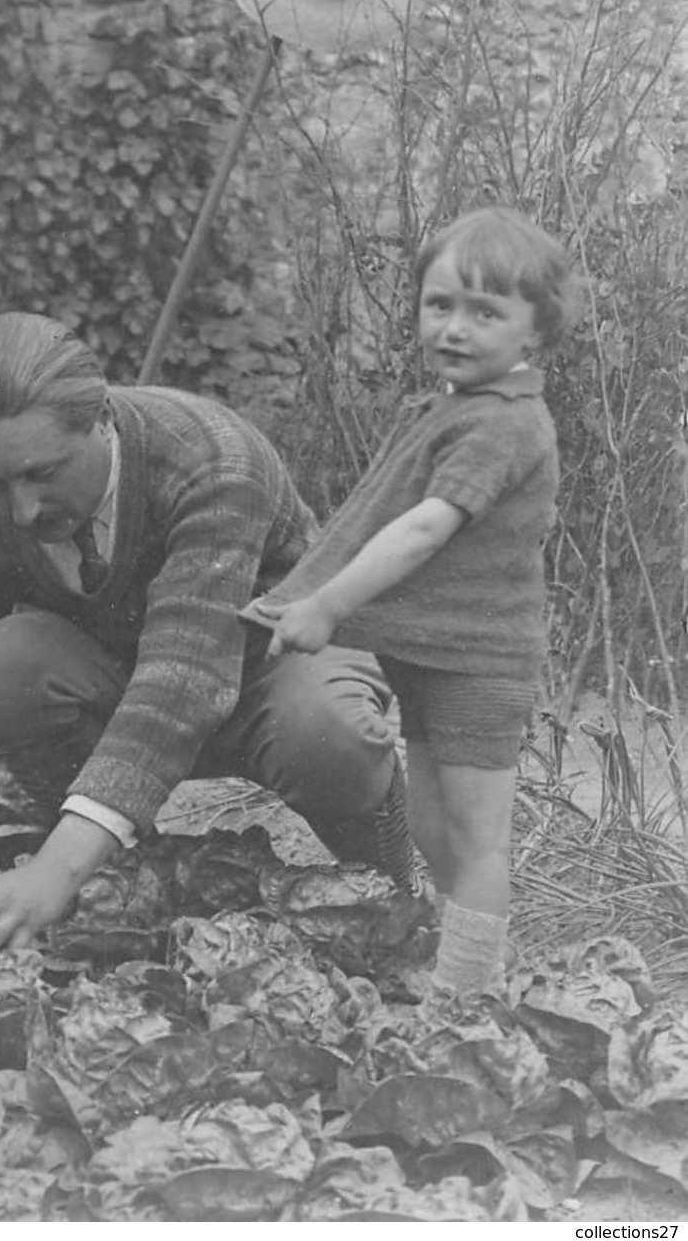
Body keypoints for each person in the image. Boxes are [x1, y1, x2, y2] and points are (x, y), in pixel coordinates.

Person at [0, 311, 414, 959]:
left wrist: (51, 870)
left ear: (101, 416)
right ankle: (133, 882)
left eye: (41, 474)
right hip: (131, 688)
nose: (21, 510)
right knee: (4, 666)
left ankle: (390, 896)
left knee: (330, 731)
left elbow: (182, 682)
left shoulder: (212, 459)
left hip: (271, 670)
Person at [241, 207, 578, 998]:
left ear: (537, 332)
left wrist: (326, 604)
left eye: (485, 312)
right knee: (431, 825)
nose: (455, 328)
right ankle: (462, 955)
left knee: (476, 834)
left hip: (479, 662)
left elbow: (423, 529)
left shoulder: (504, 424)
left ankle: (467, 990)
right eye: (440, 305)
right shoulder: (451, 407)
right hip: (433, 653)